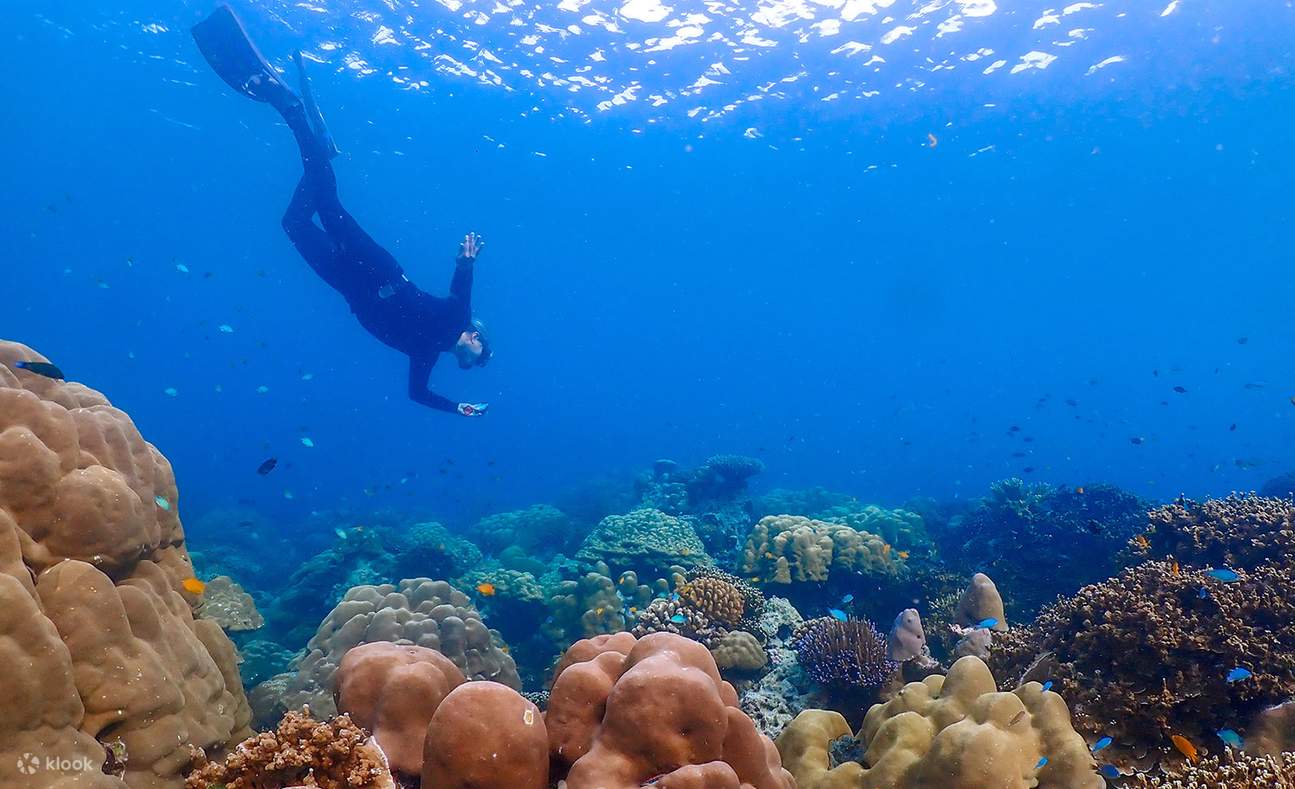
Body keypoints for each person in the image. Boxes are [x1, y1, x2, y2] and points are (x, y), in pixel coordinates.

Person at [192, 5, 491, 416]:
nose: (474, 361)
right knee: (328, 202)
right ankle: (292, 112)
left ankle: (321, 155)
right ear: (475, 338)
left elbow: (417, 394)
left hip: (349, 287)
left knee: (293, 223)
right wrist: (465, 261)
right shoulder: (459, 317)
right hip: (377, 268)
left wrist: (457, 408)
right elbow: (462, 286)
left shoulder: (426, 354)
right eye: (479, 355)